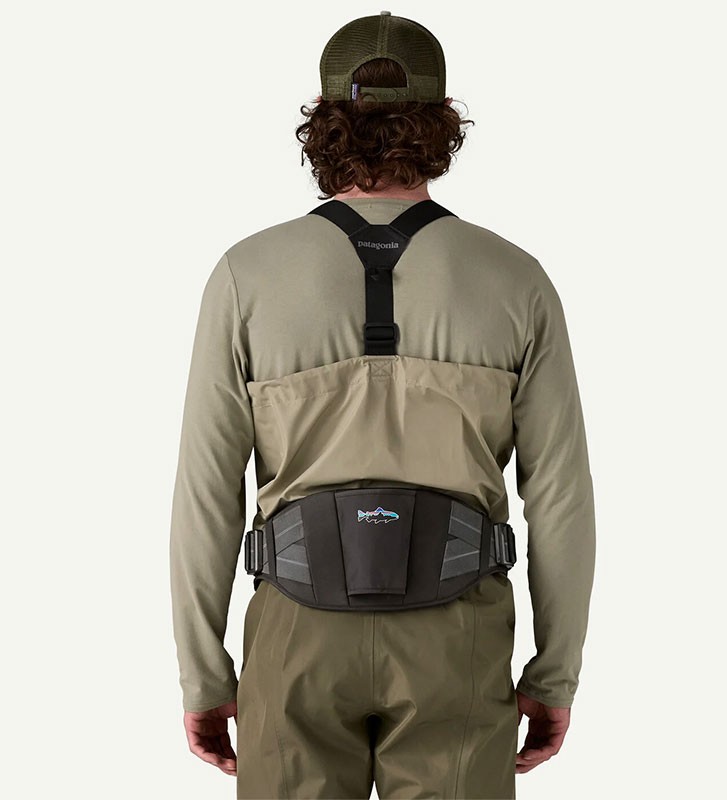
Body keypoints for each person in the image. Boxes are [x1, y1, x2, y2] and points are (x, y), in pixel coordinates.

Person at [169, 11, 596, 799]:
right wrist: (554, 672)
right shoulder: (517, 280)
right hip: (458, 638)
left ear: (323, 119)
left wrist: (204, 675)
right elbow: (562, 497)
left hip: (296, 636)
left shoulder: (244, 276)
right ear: (442, 120)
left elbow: (205, 493)